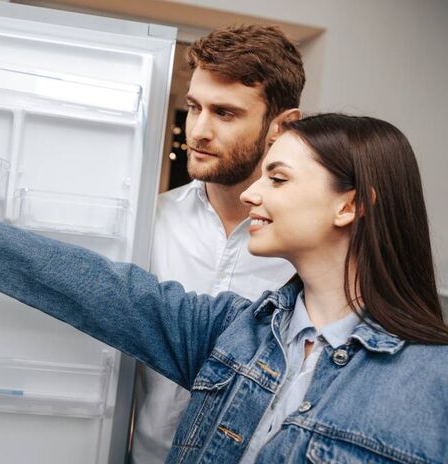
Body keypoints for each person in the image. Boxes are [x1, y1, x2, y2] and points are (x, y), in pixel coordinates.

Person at [0, 113, 448, 462]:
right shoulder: (230, 334)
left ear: (350, 205)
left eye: (279, 179)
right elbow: (94, 287)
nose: (254, 193)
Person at [135, 25, 303, 462]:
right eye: (194, 108)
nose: (199, 131)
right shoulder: (149, 221)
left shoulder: (307, 248)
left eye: (225, 113)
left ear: (282, 126)